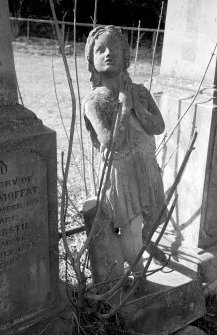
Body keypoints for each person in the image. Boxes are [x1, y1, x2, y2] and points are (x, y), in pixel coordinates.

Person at [83, 25, 166, 274]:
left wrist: (136, 107)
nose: (108, 53)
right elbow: (111, 142)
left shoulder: (140, 91)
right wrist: (123, 107)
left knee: (154, 216)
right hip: (120, 173)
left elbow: (158, 126)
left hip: (147, 166)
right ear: (91, 60)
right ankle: (140, 273)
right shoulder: (94, 101)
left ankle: (146, 243)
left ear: (125, 55)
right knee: (128, 226)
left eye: (114, 48)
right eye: (100, 50)